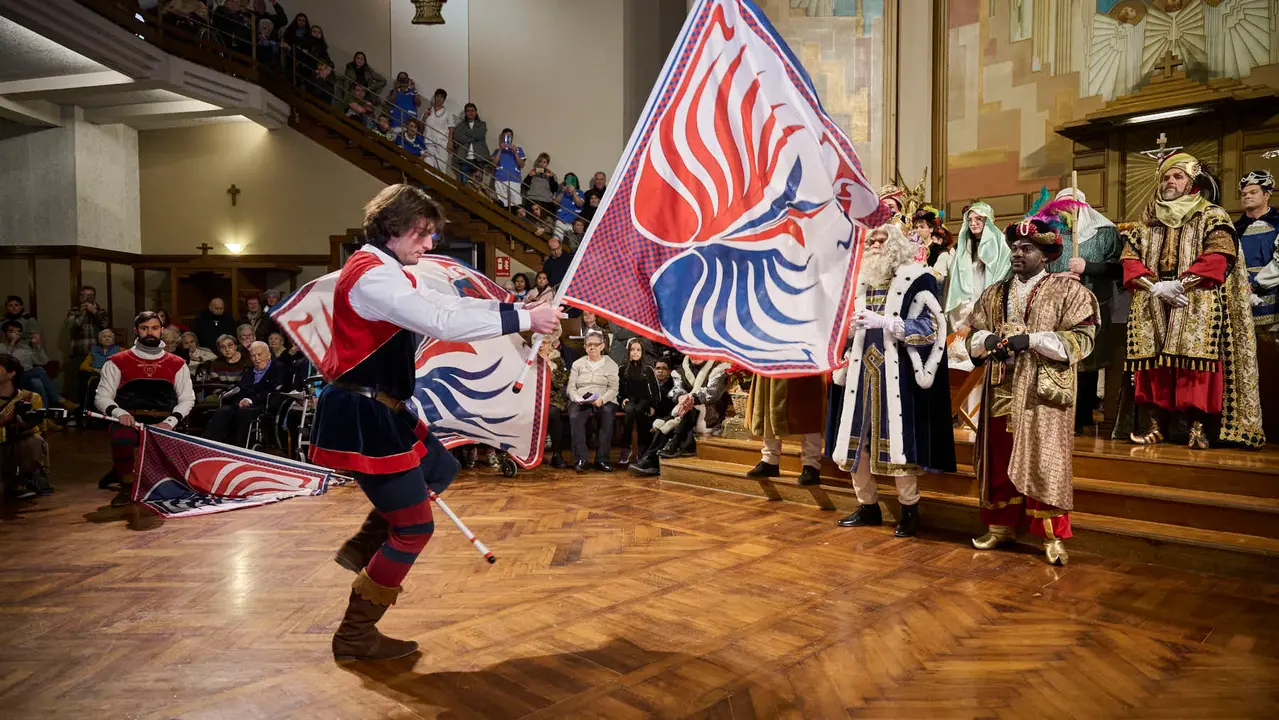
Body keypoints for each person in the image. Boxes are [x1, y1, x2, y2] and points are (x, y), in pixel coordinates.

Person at [315, 184, 559, 661]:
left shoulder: (389, 269)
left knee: (441, 469)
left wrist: (523, 313)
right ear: (393, 229)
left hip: (383, 407)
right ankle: (355, 636)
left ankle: (364, 544)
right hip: (364, 413)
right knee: (413, 529)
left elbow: (455, 306)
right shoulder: (373, 279)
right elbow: (441, 323)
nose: (430, 246)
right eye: (422, 234)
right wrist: (525, 322)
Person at [966, 218, 1101, 566]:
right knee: (998, 455)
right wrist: (987, 341)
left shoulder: (1069, 291)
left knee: (1044, 459)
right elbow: (973, 335)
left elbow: (1082, 339)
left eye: (1027, 249)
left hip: (1042, 391)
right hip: (1001, 385)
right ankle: (1001, 525)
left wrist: (1036, 340)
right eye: (1014, 248)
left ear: (1045, 255)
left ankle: (1052, 535)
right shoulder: (995, 292)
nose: (1017, 254)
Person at [1121, 152, 1264, 449]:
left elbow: (1218, 257)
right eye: (1166, 177)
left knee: (1196, 367)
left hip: (1196, 300)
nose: (1170, 182)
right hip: (1153, 301)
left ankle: (1198, 428)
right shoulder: (1148, 219)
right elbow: (1129, 259)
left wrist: (1180, 284)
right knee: (1153, 366)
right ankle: (1156, 425)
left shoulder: (1211, 214)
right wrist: (1156, 286)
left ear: (1191, 181)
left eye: (1178, 176)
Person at [827, 224, 955, 536]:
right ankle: (867, 505)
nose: (873, 245)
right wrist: (848, 329)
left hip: (898, 375)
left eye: (880, 240)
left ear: (896, 243)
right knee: (857, 444)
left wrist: (888, 322)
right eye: (870, 240)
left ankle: (910, 510)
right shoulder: (859, 280)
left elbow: (933, 327)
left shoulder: (919, 277)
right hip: (859, 371)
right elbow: (839, 326)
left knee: (900, 444)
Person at [95, 312, 196, 507]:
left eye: (154, 328)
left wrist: (170, 422)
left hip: (163, 423)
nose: (150, 332)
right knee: (122, 438)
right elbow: (102, 396)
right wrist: (120, 413)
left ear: (162, 330)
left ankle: (123, 472)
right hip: (128, 420)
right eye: (144, 328)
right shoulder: (117, 361)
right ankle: (126, 485)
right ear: (136, 331)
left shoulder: (177, 364)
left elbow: (187, 399)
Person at [1045, 188, 1123, 434]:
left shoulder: (1104, 233)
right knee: (1060, 358)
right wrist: (1056, 275)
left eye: (1070, 206)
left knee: (1087, 360)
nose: (1065, 211)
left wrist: (1088, 266)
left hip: (1093, 305)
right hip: (1057, 308)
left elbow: (1119, 269)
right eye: (1061, 207)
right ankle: (1060, 415)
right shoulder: (1050, 234)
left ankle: (1082, 417)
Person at [630, 356, 732, 475]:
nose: (694, 355)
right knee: (665, 422)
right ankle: (650, 458)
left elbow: (712, 393)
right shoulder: (682, 369)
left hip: (711, 411)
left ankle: (674, 444)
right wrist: (681, 397)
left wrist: (691, 399)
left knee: (689, 410)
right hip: (684, 409)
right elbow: (676, 388)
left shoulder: (718, 368)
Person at [202, 341, 286, 446]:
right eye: (253, 356)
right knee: (223, 411)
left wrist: (250, 400)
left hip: (263, 404)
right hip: (243, 402)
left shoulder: (278, 368)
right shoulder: (249, 370)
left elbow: (274, 389)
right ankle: (208, 445)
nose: (256, 359)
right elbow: (241, 387)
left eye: (259, 354)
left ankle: (238, 448)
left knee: (244, 413)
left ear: (268, 355)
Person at [0, 353, 52, 500]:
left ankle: (26, 479)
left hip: (15, 444)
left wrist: (24, 425)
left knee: (33, 440)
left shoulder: (30, 397)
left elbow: (41, 430)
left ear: (11, 373)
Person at [565, 332, 619, 472]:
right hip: (582, 398)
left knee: (607, 414)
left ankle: (602, 459)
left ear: (602, 346)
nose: (592, 347)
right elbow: (571, 386)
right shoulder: (578, 364)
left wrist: (603, 399)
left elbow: (614, 388)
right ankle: (581, 459)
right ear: (584, 347)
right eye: (589, 345)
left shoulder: (610, 364)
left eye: (596, 344)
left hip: (604, 397)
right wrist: (576, 397)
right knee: (575, 416)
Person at [1236, 170, 1278, 335]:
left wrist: (1255, 285)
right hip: (1240, 299)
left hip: (1273, 302)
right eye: (1244, 194)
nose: (1247, 196)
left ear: (1266, 195)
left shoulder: (1277, 224)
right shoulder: (1233, 228)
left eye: (1253, 192)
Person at [0, 322, 70, 413]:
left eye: (18, 331)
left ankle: (43, 414)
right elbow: (4, 363)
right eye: (12, 331)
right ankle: (57, 398)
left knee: (36, 382)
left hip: (28, 379)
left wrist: (37, 345)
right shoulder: (2, 347)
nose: (16, 334)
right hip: (12, 379)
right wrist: (12, 344)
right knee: (39, 370)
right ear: (5, 333)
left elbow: (43, 361)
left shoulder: (25, 348)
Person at [616, 338, 659, 466]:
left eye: (638, 350)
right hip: (629, 399)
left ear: (642, 352)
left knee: (641, 412)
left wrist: (653, 406)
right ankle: (625, 449)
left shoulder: (648, 369)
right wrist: (622, 399)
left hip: (645, 400)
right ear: (628, 352)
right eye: (632, 350)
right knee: (629, 412)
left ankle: (642, 450)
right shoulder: (622, 369)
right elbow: (619, 388)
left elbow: (655, 391)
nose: (635, 352)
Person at [66, 285, 109, 402]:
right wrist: (84, 312)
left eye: (90, 296)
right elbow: (74, 327)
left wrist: (94, 312)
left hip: (98, 352)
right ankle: (76, 412)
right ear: (80, 298)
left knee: (98, 383)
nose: (88, 298)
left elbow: (105, 325)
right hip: (79, 351)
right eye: (85, 296)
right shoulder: (73, 311)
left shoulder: (100, 311)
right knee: (76, 384)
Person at [541, 338, 570, 469]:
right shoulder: (528, 360)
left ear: (550, 345)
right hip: (533, 397)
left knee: (552, 413)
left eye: (545, 342)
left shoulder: (557, 360)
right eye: (538, 342)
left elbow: (560, 383)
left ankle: (557, 453)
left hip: (553, 397)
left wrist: (548, 366)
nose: (541, 345)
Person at [452, 103, 488, 183]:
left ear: (476, 112)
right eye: (468, 111)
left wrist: (466, 132)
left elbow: (480, 134)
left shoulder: (482, 124)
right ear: (465, 113)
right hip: (464, 160)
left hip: (478, 161)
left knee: (477, 186)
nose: (470, 113)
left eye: (472, 110)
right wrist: (473, 138)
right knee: (464, 186)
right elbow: (457, 137)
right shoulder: (460, 126)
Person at [491, 128, 526, 209]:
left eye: (509, 136)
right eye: (505, 136)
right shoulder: (497, 151)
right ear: (502, 138)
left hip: (514, 179)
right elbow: (493, 164)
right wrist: (500, 150)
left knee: (516, 204)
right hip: (500, 179)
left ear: (512, 138)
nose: (507, 138)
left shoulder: (518, 150)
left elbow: (522, 165)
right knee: (502, 204)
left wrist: (515, 152)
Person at [422, 89, 455, 174]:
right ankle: (428, 184)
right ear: (435, 97)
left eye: (441, 97)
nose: (439, 99)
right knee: (428, 162)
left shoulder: (448, 112)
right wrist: (425, 116)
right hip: (428, 141)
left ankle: (440, 185)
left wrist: (450, 141)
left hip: (442, 142)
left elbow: (451, 128)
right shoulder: (429, 110)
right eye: (437, 96)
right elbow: (421, 124)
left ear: (444, 100)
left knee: (441, 166)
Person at [523, 153, 559, 217]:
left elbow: (555, 189)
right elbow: (524, 187)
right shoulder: (532, 172)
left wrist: (551, 178)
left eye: (544, 162)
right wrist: (529, 176)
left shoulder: (552, 174)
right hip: (532, 199)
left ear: (547, 163)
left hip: (546, 201)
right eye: (540, 161)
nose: (542, 164)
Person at [555, 173, 584, 238]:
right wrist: (562, 192)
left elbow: (580, 204)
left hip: (573, 222)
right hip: (560, 220)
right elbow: (555, 203)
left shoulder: (580, 192)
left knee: (570, 241)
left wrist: (573, 192)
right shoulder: (561, 191)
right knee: (557, 238)